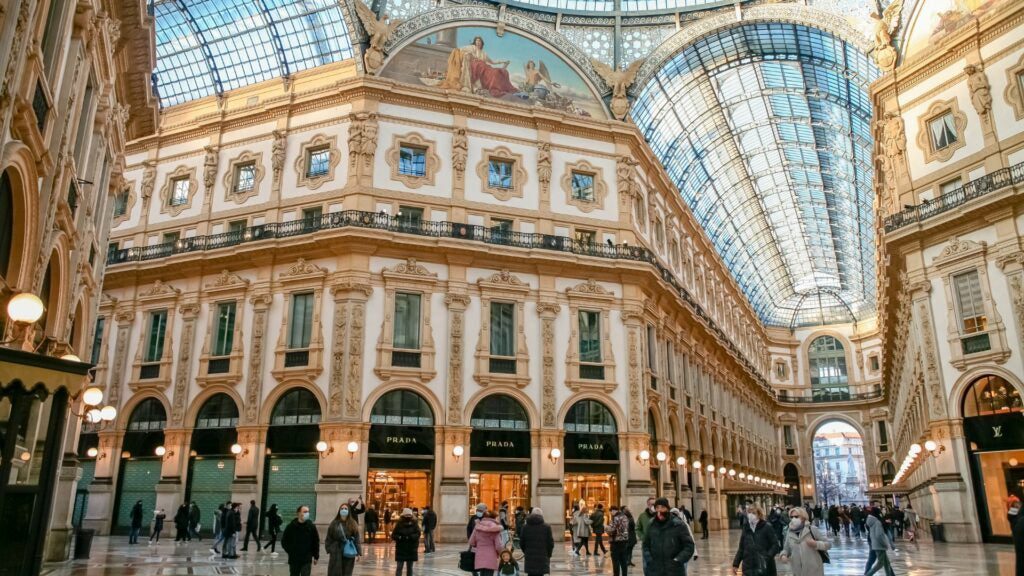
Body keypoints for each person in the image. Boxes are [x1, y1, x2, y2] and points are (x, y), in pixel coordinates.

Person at [642, 498, 695, 576]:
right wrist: (649, 560)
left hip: (674, 571)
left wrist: (678, 560)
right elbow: (645, 545)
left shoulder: (678, 525)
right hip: (654, 570)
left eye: (662, 507)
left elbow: (689, 546)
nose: (660, 511)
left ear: (667, 509)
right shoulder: (651, 525)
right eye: (657, 508)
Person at [778, 506, 829, 576]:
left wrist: (816, 544)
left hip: (814, 570)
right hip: (797, 571)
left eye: (796, 517)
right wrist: (783, 555)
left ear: (803, 517)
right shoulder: (789, 532)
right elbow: (786, 548)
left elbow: (828, 544)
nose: (793, 519)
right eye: (791, 517)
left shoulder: (812, 529)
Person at [732, 505, 781, 576]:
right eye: (749, 512)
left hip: (764, 566)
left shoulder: (767, 527)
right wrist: (736, 563)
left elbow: (775, 545)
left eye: (754, 513)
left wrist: (767, 557)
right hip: (748, 566)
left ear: (759, 514)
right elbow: (741, 548)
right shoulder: (746, 528)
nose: (751, 515)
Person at [282, 505, 320, 576]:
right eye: (305, 512)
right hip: (294, 559)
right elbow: (284, 541)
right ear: (299, 513)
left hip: (307, 559)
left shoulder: (311, 526)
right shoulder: (291, 527)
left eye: (308, 512)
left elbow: (316, 542)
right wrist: (290, 551)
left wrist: (316, 556)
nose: (307, 513)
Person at [326, 502, 361, 576]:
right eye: (342, 508)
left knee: (347, 572)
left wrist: (358, 552)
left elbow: (357, 539)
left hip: (348, 551)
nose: (344, 510)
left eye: (345, 509)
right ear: (339, 511)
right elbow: (329, 537)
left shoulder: (353, 523)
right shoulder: (334, 523)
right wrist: (330, 549)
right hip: (336, 551)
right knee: (334, 572)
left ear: (348, 511)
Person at [518, 507, 554, 576]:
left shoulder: (525, 527)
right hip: (542, 558)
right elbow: (550, 544)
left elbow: (521, 542)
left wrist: (526, 551)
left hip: (530, 557)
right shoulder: (547, 527)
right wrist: (548, 554)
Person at [469, 510, 504, 576]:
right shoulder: (495, 528)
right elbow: (498, 545)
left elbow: (471, 542)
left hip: (480, 556)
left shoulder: (478, 526)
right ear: (494, 517)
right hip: (491, 557)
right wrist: (502, 553)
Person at [865, 507, 896, 576]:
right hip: (879, 545)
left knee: (886, 563)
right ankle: (868, 574)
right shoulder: (877, 522)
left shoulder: (871, 521)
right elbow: (879, 535)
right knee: (880, 563)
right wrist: (885, 544)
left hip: (874, 543)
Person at [392, 508, 421, 576]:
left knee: (410, 568)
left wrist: (411, 537)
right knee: (399, 567)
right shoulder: (399, 524)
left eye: (409, 515)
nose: (408, 517)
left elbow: (418, 534)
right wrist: (400, 537)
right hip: (401, 549)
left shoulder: (414, 524)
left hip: (411, 549)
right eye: (406, 515)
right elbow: (393, 535)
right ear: (403, 515)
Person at [605, 506, 630, 576]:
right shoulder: (625, 517)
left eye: (611, 511)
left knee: (616, 562)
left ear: (613, 510)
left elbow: (611, 530)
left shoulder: (615, 518)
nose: (610, 513)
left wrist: (606, 528)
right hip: (624, 541)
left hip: (615, 542)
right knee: (623, 561)